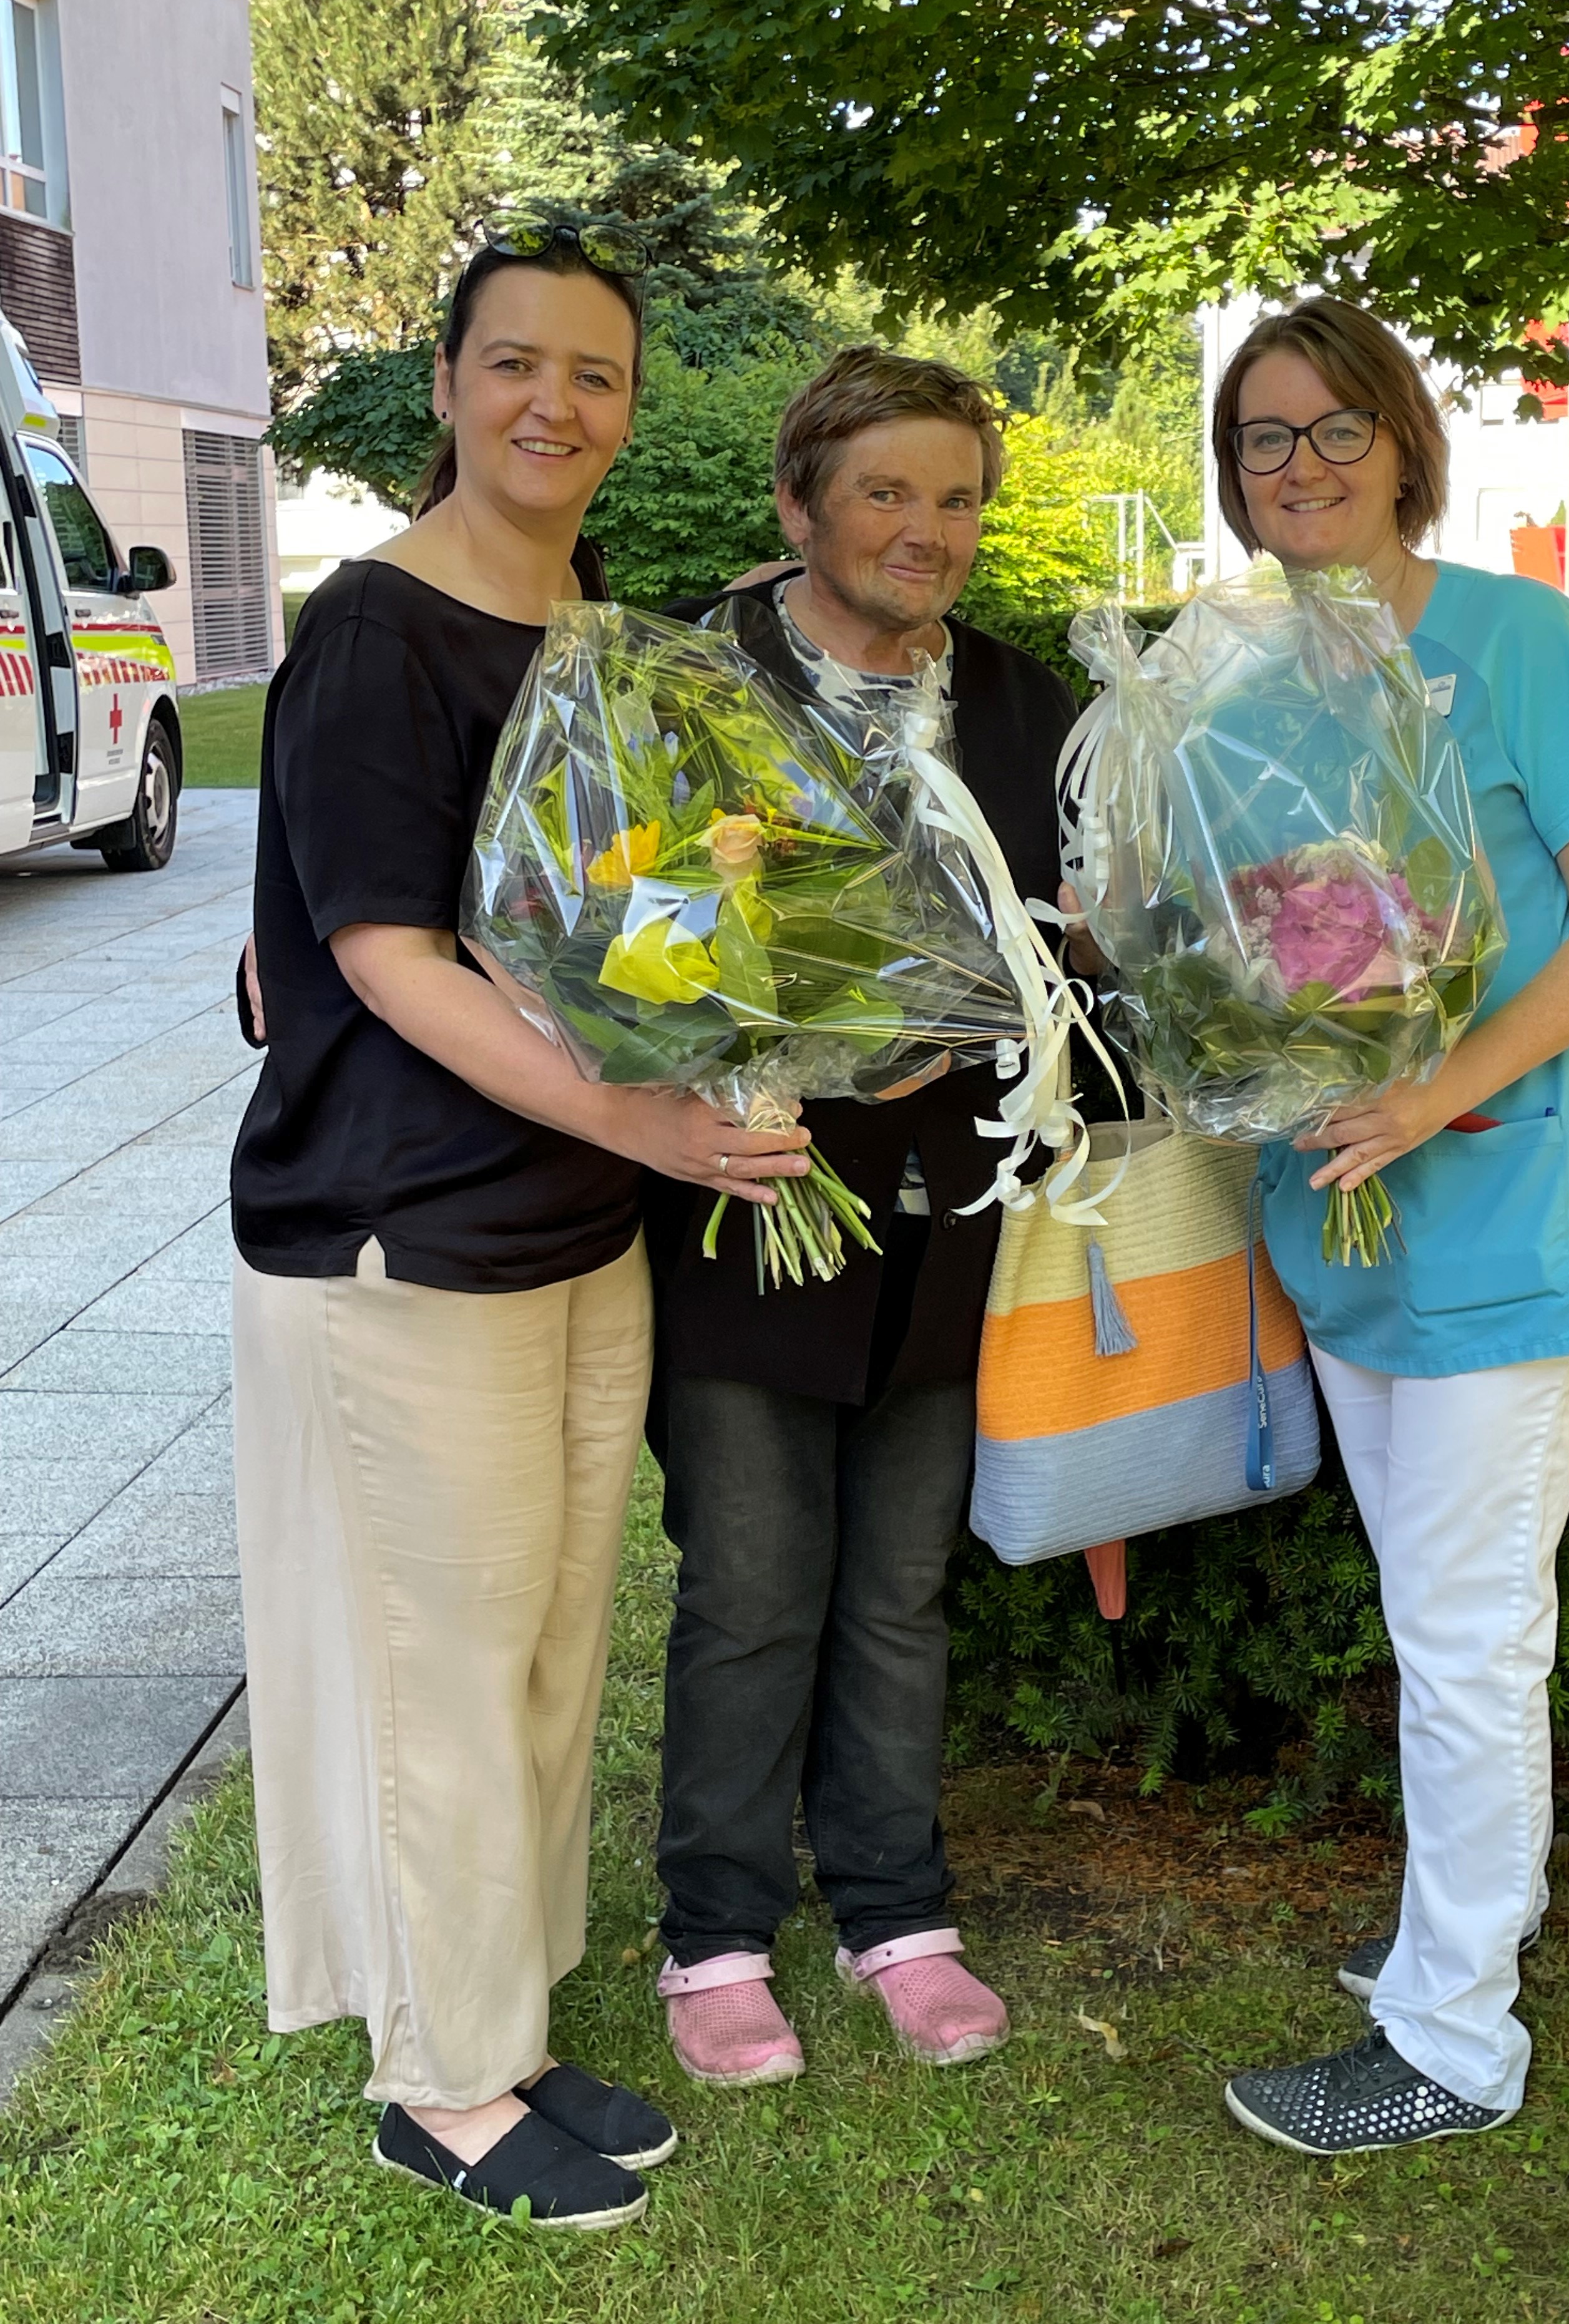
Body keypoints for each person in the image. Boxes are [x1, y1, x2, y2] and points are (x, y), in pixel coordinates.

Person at [229, 215, 811, 2228]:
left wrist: (741, 996)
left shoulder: (593, 634)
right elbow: (385, 956)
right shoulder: (376, 631)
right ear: (451, 384)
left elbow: (641, 923)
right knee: (443, 1668)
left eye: (595, 374)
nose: (555, 403)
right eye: (516, 363)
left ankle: (508, 2025)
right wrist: (651, 1124)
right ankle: (440, 2079)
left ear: (627, 411)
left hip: (573, 1228)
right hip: (405, 1237)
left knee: (550, 1651)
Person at [1210, 298, 1569, 2154]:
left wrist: (1430, 1086)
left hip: (1503, 1206)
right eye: (1265, 437)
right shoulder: (1241, 694)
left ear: (1404, 444)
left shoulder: (1518, 639)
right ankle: (1467, 1927)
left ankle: (1453, 2044)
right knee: (1438, 1616)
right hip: (1344, 1221)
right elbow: (1257, 949)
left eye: (1338, 428)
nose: (1301, 464)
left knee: (1470, 1633)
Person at [642, 348, 1081, 2084]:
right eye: (885, 490)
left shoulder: (1029, 704)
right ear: (799, 502)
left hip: (957, 1212)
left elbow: (1089, 933)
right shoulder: (690, 682)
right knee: (753, 1586)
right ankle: (716, 1936)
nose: (926, 529)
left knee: (902, 1585)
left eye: (956, 498)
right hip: (757, 1199)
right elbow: (620, 927)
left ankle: (898, 1911)